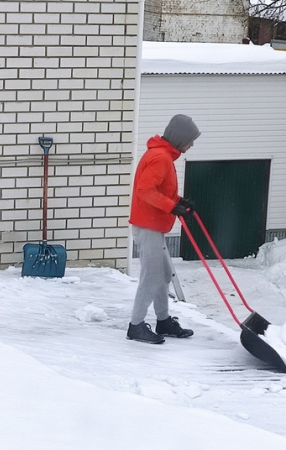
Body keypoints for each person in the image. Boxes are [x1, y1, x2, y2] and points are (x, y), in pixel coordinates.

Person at [127, 114, 200, 344]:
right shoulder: (160, 157)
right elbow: (145, 190)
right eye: (190, 140)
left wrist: (180, 202)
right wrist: (173, 207)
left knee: (165, 274)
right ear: (179, 138)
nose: (192, 144)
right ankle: (136, 325)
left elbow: (160, 190)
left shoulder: (164, 156)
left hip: (154, 225)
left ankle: (163, 321)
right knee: (152, 276)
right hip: (148, 226)